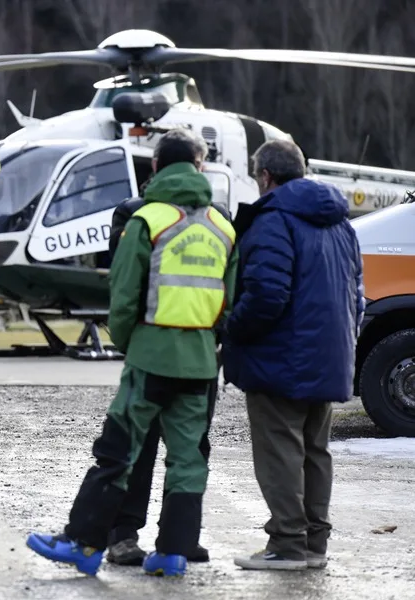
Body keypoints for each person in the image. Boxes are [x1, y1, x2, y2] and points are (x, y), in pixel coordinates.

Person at [25, 128, 238, 578]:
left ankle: (84, 543)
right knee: (188, 459)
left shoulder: (145, 221)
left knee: (117, 450)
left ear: (156, 167)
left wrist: (132, 343)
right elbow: (229, 302)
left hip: (151, 357)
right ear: (199, 168)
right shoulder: (223, 227)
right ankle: (173, 553)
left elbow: (121, 300)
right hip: (200, 364)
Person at [226, 139, 364, 571]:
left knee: (280, 450)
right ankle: (313, 544)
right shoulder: (342, 224)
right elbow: (356, 295)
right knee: (314, 450)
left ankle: (287, 545)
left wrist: (232, 327)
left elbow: (266, 294)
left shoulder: (272, 220)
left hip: (278, 357)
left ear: (265, 176)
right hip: (328, 356)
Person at [103, 181, 233, 567]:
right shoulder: (138, 216)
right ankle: (129, 535)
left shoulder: (215, 219)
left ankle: (176, 537)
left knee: (184, 449)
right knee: (152, 448)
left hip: (192, 355)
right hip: (175, 354)